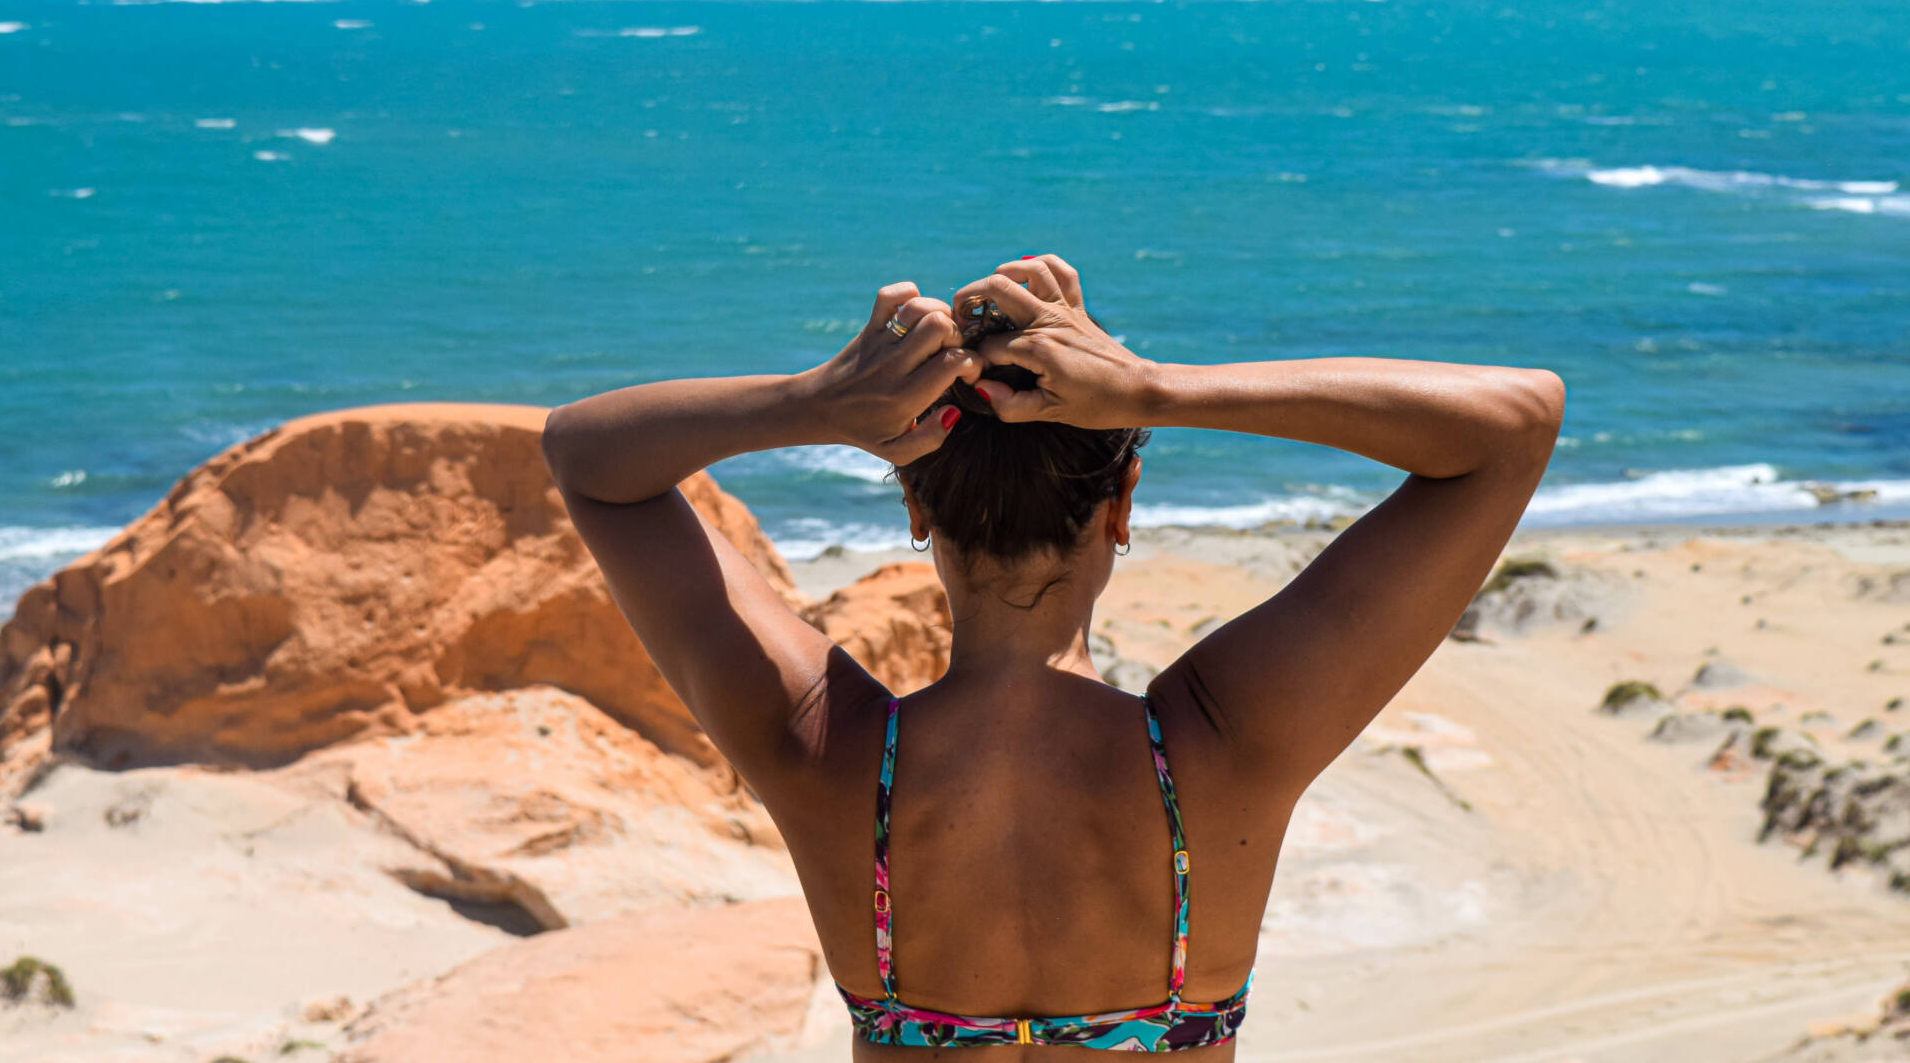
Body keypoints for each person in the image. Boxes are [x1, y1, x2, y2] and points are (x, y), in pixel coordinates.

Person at [539, 253, 1565, 1057]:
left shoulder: (826, 749)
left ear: (912, 507)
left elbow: (587, 459)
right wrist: (1155, 390)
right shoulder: (1219, 746)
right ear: (1120, 510)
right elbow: (1511, 428)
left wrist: (815, 403)